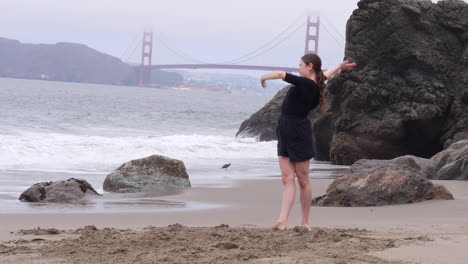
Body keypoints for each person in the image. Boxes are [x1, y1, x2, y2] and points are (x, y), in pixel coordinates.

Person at [260, 53, 357, 230]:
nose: (298, 68)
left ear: (309, 66)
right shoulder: (317, 83)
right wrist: (339, 67)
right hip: (285, 129)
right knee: (287, 177)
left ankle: (305, 222)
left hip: (298, 131)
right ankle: (282, 220)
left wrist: (264, 76)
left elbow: (282, 75)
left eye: (300, 65)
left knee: (303, 179)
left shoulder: (306, 83)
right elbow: (325, 75)